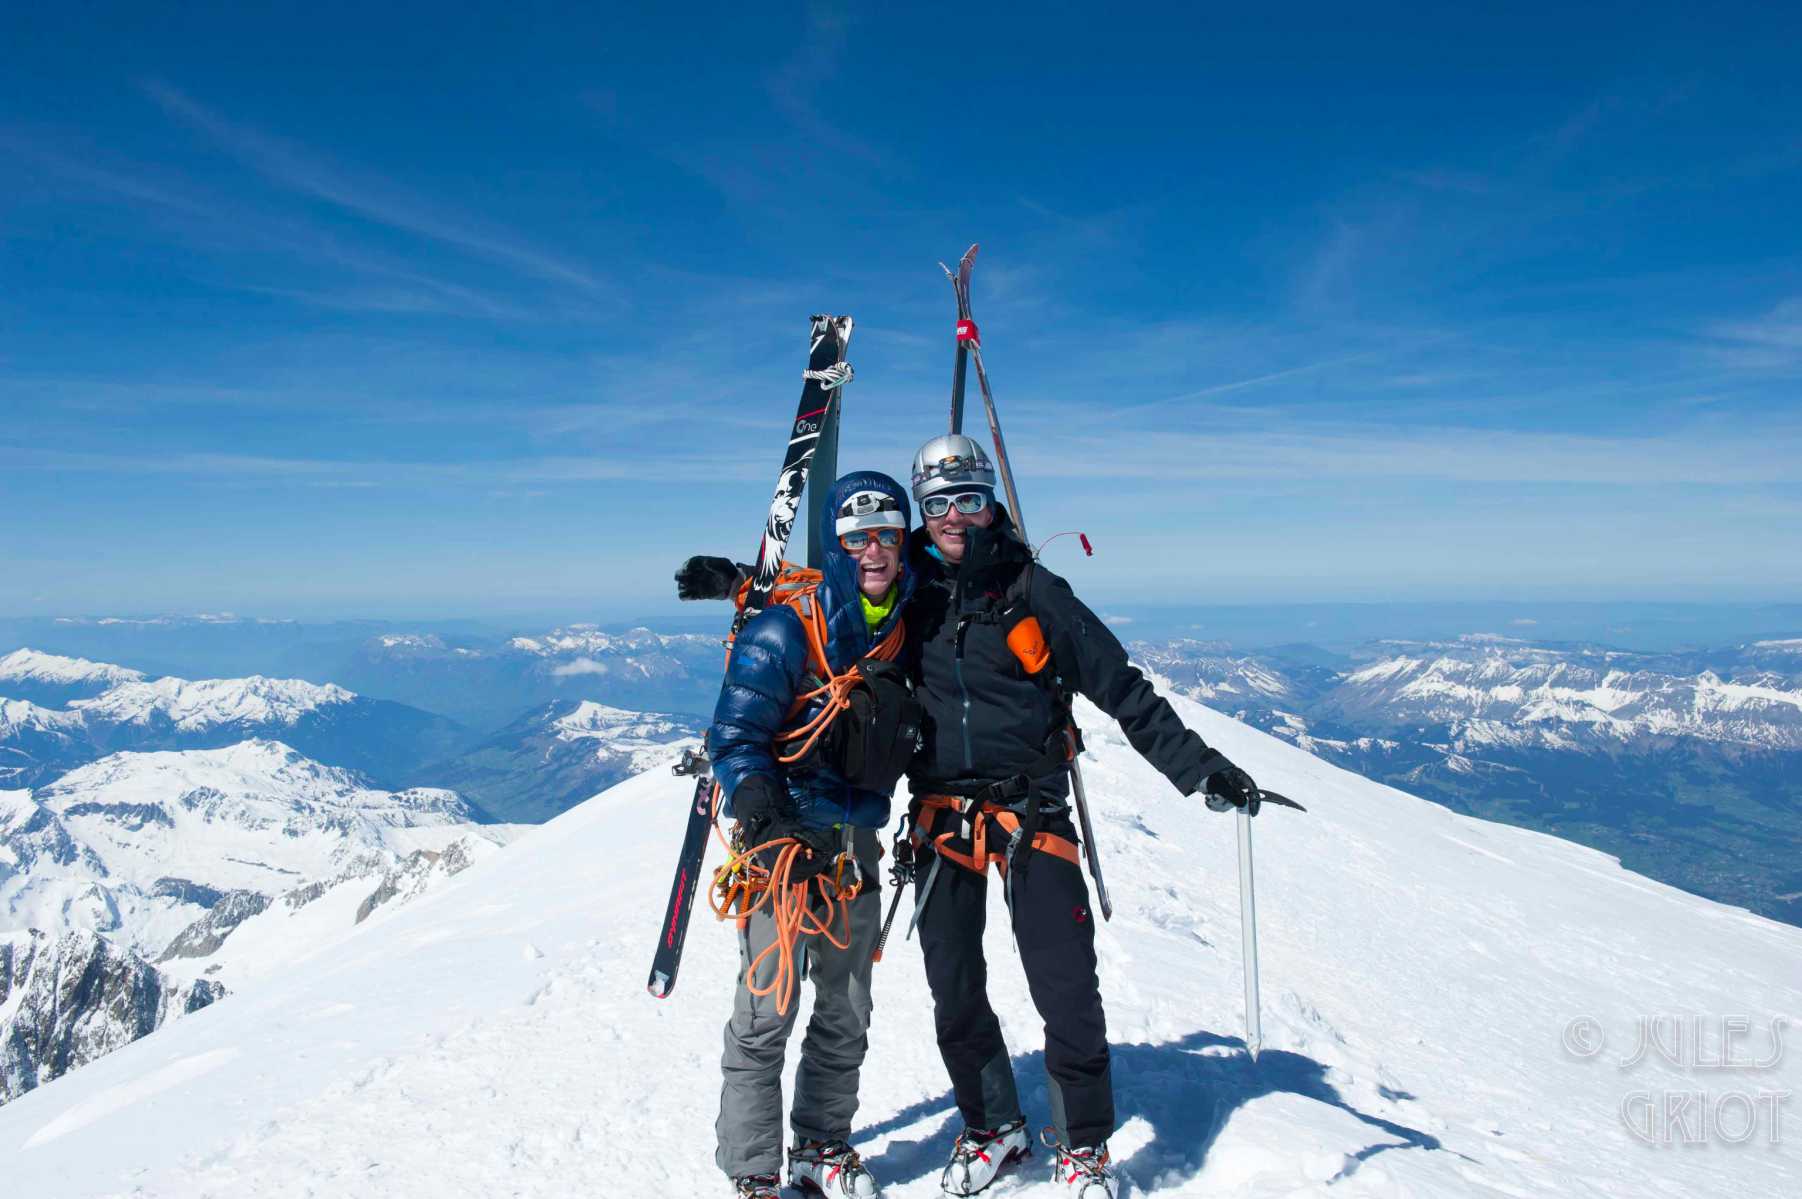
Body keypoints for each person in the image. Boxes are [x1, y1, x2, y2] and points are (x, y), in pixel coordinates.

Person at [902, 434, 1265, 1198]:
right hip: (938, 816)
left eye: (968, 498)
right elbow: (829, 599)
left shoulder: (1036, 590)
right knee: (954, 985)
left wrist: (1199, 769)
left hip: (1030, 806)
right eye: (937, 504)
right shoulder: (910, 592)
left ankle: (1084, 1145)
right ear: (922, 512)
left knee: (1065, 984)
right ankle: (993, 1126)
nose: (954, 519)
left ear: (991, 499)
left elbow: (1121, 687)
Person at [704, 470, 918, 1199]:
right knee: (769, 1008)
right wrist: (764, 815)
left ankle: (822, 1144)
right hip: (785, 845)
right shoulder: (786, 628)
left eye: (887, 533)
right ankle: (756, 1168)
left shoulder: (908, 618)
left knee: (847, 1006)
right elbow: (734, 738)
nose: (874, 549)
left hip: (857, 844)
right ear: (836, 542)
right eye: (857, 537)